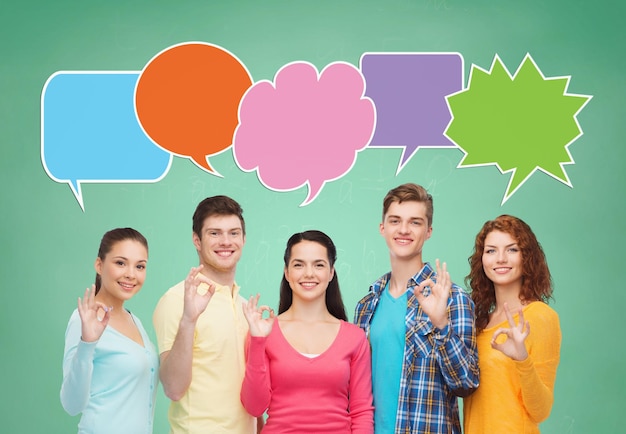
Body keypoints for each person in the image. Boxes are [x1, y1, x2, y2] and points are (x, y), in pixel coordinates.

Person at [354, 183, 480, 434]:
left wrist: (441, 324)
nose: (403, 230)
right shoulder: (367, 304)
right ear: (382, 228)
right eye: (395, 221)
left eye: (415, 222)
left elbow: (467, 384)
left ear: (429, 231)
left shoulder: (453, 299)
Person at [241, 230, 374, 433]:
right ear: (287, 273)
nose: (309, 273)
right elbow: (254, 407)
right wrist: (258, 341)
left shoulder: (354, 337)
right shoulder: (263, 332)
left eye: (319, 265)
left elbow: (362, 411)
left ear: (331, 273)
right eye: (298, 265)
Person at [153, 195, 260, 434]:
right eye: (214, 233)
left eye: (233, 233)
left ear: (243, 239)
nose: (225, 241)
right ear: (196, 240)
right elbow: (173, 388)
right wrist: (188, 320)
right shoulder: (176, 300)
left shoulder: (244, 306)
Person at [463, 215, 561, 433]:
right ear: (482, 260)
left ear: (527, 258)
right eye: (491, 251)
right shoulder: (477, 324)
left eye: (512, 249)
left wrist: (522, 359)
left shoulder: (541, 317)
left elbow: (541, 411)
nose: (500, 259)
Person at [60, 227, 158, 434]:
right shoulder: (83, 319)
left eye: (140, 266)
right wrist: (87, 343)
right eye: (120, 263)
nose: (131, 274)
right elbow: (71, 404)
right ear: (99, 264)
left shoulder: (135, 321)